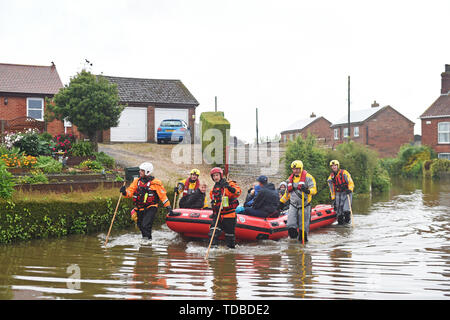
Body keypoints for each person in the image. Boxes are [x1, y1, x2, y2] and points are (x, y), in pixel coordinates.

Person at [120, 162, 173, 240]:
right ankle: (146, 242)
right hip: (139, 208)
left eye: (142, 170)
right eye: (140, 170)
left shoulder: (155, 183)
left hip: (151, 207)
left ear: (147, 172)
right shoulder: (137, 181)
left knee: (146, 225)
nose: (139, 172)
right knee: (141, 226)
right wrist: (124, 192)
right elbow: (130, 192)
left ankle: (147, 244)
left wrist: (168, 207)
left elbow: (163, 196)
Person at [278, 160, 317, 242]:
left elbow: (314, 190)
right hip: (293, 205)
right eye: (294, 169)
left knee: (303, 228)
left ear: (301, 168)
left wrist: (307, 191)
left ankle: (303, 242)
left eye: (298, 169)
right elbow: (287, 194)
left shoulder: (308, 178)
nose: (296, 171)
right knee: (290, 226)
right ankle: (293, 246)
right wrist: (281, 202)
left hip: (305, 205)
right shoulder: (289, 180)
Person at [209, 167, 242, 249]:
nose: (215, 177)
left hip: (229, 215)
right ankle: (213, 251)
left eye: (217, 175)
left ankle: (230, 254)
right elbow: (213, 199)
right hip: (218, 215)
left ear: (220, 175)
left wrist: (228, 187)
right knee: (213, 232)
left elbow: (238, 192)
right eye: (213, 176)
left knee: (229, 237)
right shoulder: (214, 188)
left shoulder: (229, 183)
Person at [327, 160, 354, 225]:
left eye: (335, 165)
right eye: (332, 166)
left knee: (346, 210)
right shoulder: (331, 177)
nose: (334, 167)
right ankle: (341, 226)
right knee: (339, 212)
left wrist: (350, 189)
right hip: (338, 194)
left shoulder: (344, 173)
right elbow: (332, 189)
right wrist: (333, 198)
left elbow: (350, 182)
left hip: (346, 193)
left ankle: (347, 223)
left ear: (337, 166)